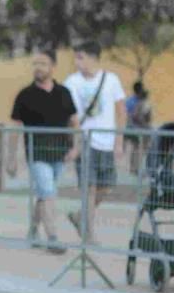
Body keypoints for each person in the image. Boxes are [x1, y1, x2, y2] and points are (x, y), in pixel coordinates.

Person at [7, 50, 78, 254]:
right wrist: (11, 158)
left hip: (60, 154)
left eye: (43, 63)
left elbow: (74, 122)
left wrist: (75, 147)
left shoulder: (63, 92)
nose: (38, 67)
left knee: (44, 195)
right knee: (48, 192)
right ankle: (53, 237)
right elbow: (14, 127)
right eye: (35, 63)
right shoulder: (25, 95)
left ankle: (32, 230)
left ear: (52, 67)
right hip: (37, 154)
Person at [64, 41, 126, 244]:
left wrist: (119, 140)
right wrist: (75, 144)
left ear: (93, 58)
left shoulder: (111, 80)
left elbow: (121, 111)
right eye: (76, 58)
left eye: (80, 57)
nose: (77, 62)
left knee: (106, 186)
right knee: (88, 188)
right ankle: (88, 235)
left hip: (107, 142)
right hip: (85, 141)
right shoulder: (71, 82)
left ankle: (80, 215)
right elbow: (70, 116)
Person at [124, 81, 153, 174]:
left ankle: (134, 168)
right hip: (134, 128)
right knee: (138, 148)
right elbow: (135, 117)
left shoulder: (130, 100)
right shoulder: (138, 101)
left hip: (131, 127)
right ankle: (135, 168)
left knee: (136, 148)